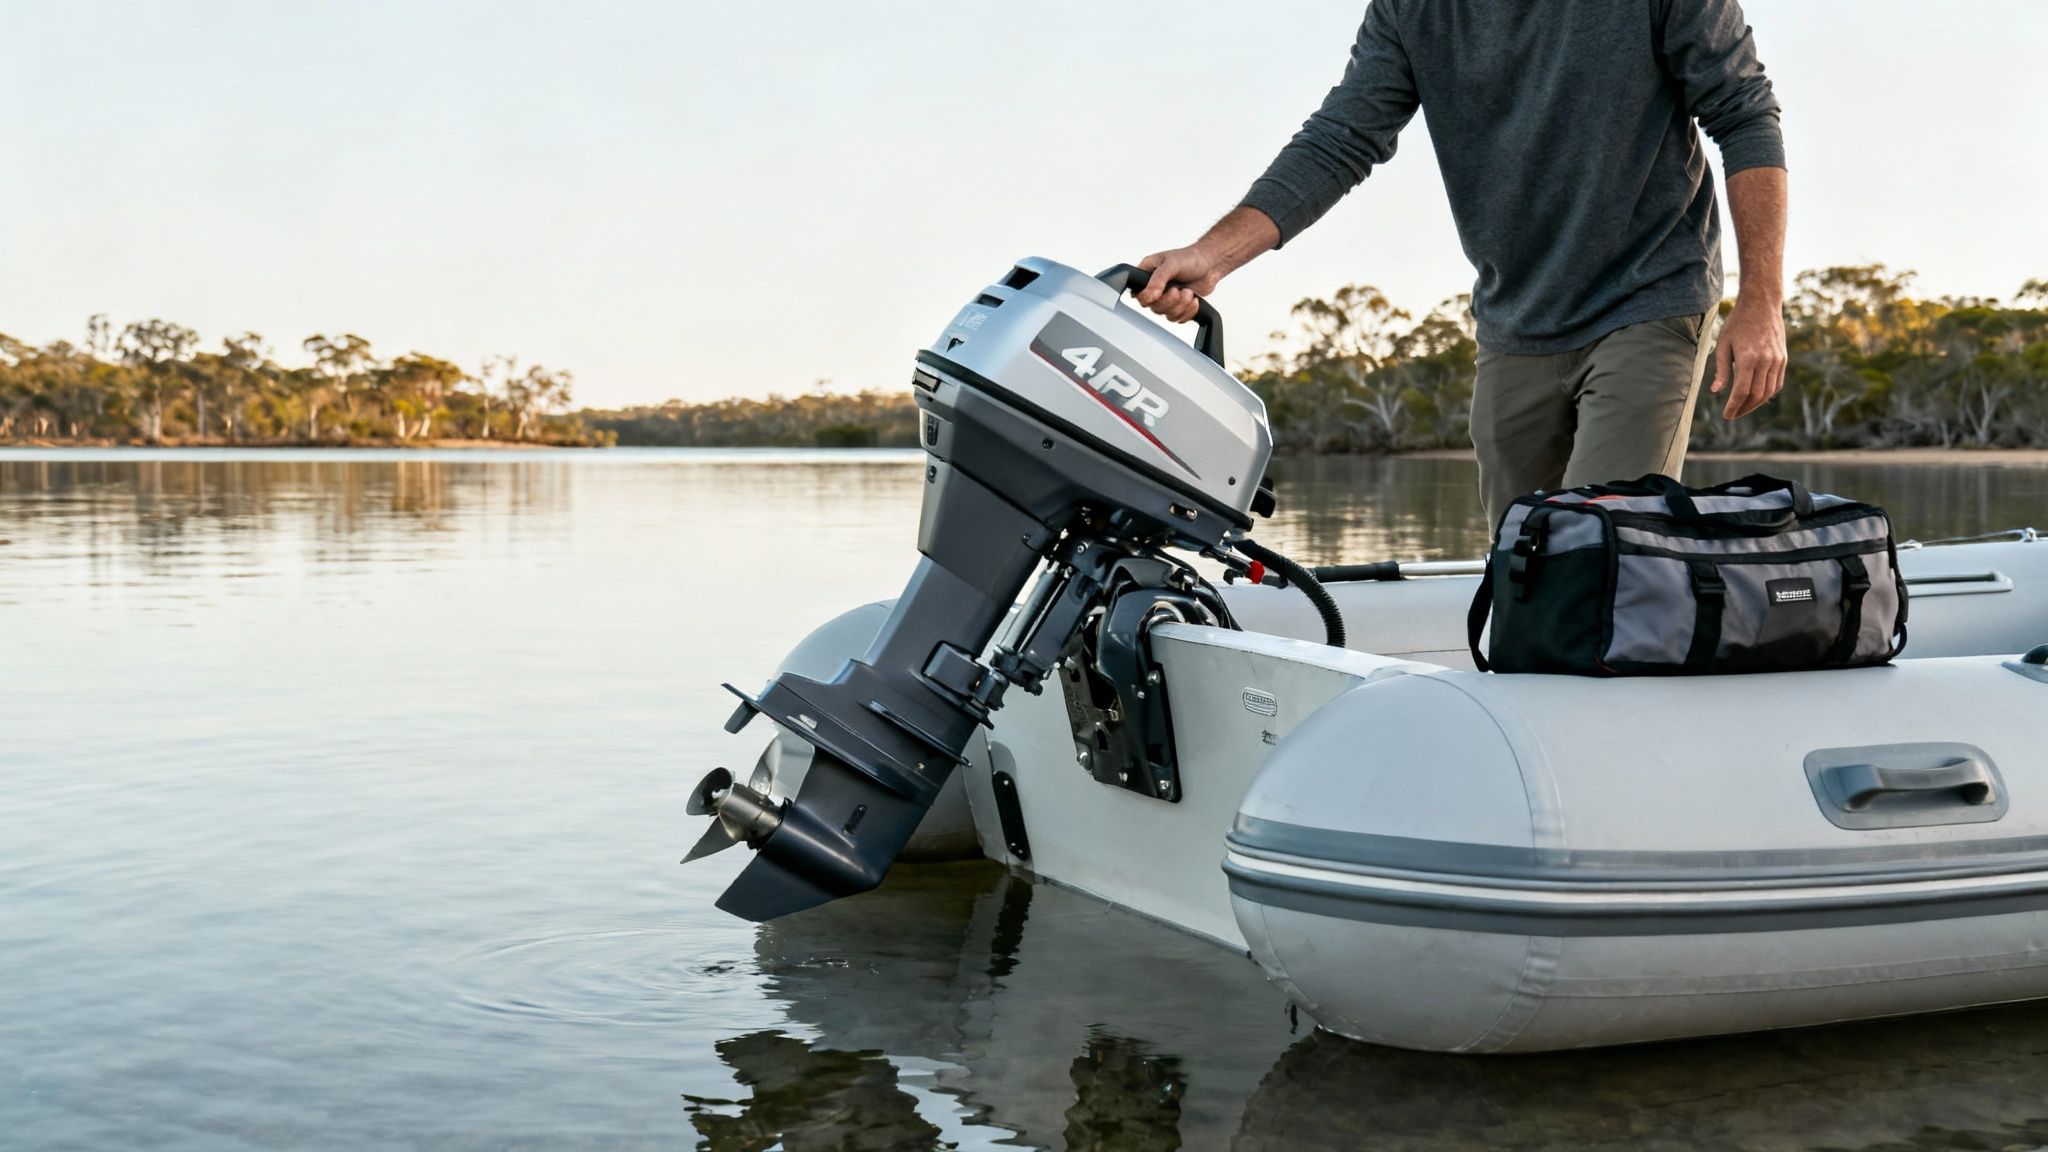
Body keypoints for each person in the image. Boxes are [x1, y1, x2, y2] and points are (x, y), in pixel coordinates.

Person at [1134, 0, 1790, 529]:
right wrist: (1212, 257)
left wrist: (1760, 300)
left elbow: (1745, 115)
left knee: (1602, 549)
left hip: (1649, 294)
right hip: (1517, 317)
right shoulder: (1410, 10)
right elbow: (1341, 137)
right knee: (1523, 557)